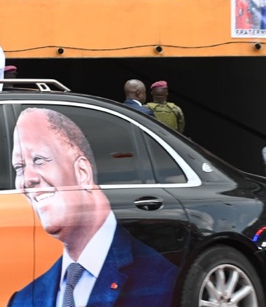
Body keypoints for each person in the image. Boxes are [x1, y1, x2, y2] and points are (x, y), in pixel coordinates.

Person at [9, 107, 177, 307]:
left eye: (39, 160)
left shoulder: (163, 280)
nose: (27, 180)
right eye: (19, 167)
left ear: (82, 172)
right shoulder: (23, 300)